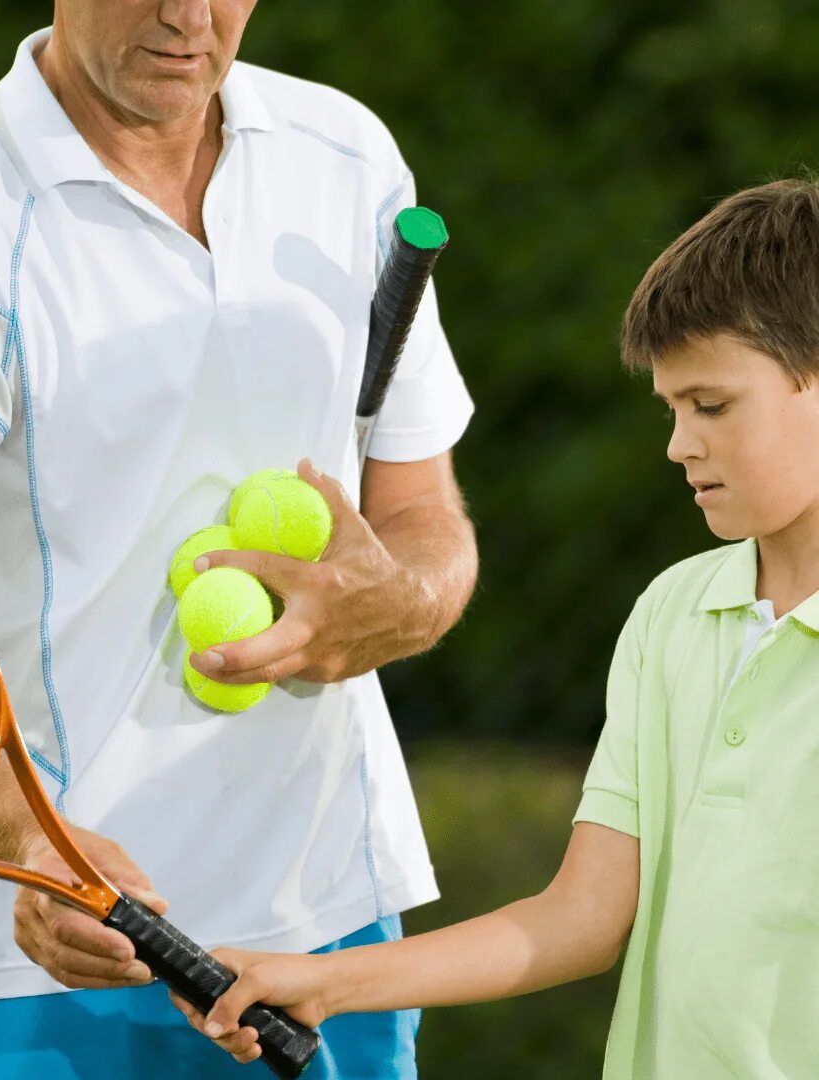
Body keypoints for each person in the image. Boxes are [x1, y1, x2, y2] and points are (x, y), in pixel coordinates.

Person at [0, 2, 478, 1076]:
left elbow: (421, 510)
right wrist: (32, 847)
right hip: (19, 980)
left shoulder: (348, 161)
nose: (186, 17)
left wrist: (410, 600)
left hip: (325, 940)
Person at [174, 177, 819, 1079]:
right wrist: (325, 983)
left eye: (711, 406)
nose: (679, 443)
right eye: (670, 409)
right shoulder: (671, 616)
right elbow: (580, 917)